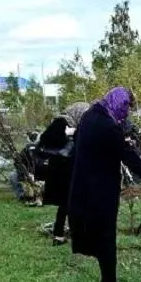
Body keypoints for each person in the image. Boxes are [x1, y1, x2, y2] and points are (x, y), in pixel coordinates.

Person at [68, 87, 141, 282]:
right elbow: (130, 158)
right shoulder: (108, 126)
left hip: (81, 186)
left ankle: (107, 281)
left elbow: (80, 144)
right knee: (106, 237)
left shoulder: (89, 116)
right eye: (126, 107)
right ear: (119, 104)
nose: (126, 112)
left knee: (95, 234)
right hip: (101, 190)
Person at [36, 102, 89, 245]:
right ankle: (68, 233)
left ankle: (60, 234)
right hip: (64, 170)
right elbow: (46, 140)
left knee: (67, 202)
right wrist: (69, 134)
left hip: (67, 169)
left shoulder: (75, 124)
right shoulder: (62, 122)